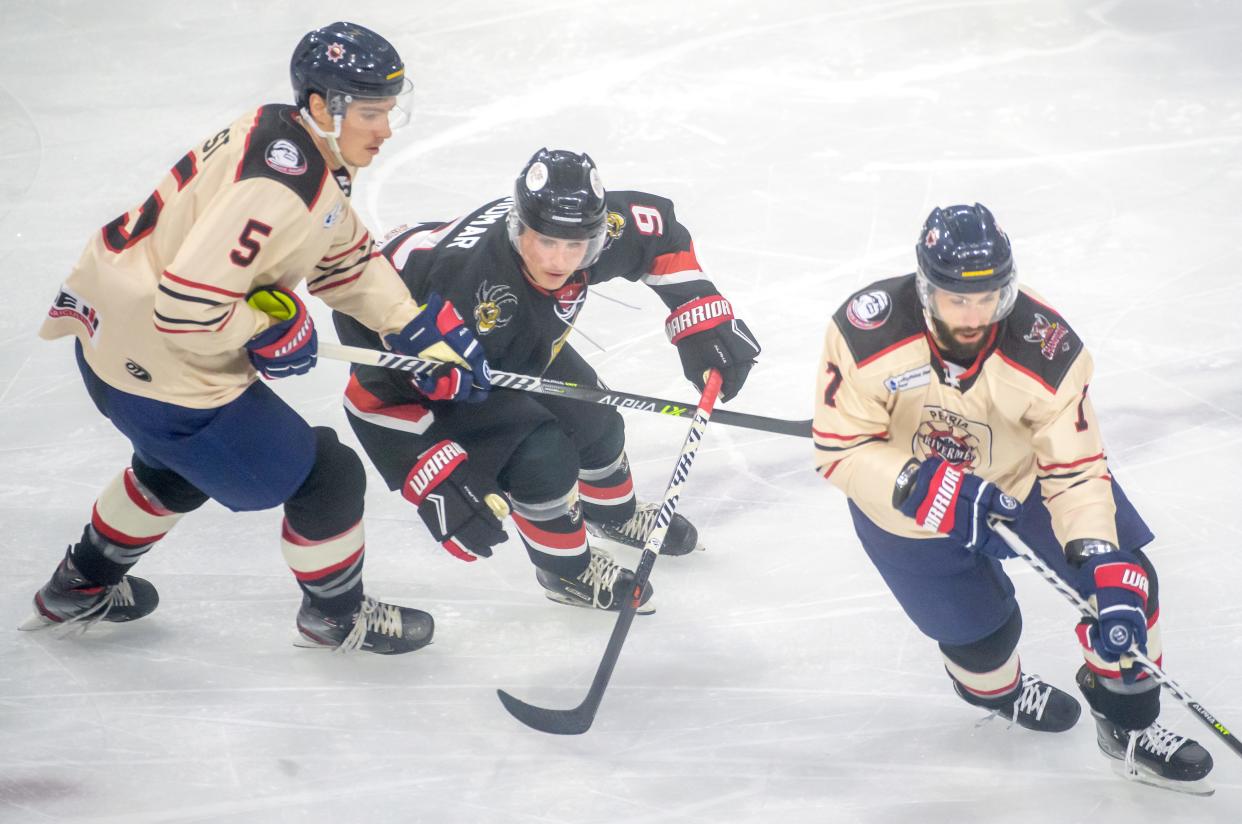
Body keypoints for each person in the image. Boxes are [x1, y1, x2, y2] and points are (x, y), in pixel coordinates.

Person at [22, 22, 490, 655]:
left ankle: (77, 586)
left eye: (389, 110)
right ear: (323, 105)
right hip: (164, 370)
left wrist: (409, 326)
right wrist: (267, 328)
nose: (385, 128)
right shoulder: (280, 188)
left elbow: (341, 256)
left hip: (109, 340)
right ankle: (335, 616)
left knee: (178, 471)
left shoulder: (287, 137)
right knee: (328, 475)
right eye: (373, 112)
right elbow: (187, 308)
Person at [812, 203, 1214, 793]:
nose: (974, 314)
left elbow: (1076, 470)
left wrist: (1101, 554)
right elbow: (839, 449)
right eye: (957, 297)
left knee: (1127, 586)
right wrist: (914, 484)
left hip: (1023, 485)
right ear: (927, 289)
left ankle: (1128, 726)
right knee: (982, 643)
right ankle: (999, 692)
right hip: (909, 515)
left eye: (989, 295)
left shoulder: (1046, 348)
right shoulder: (865, 333)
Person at [332, 148, 761, 612]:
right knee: (542, 457)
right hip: (441, 359)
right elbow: (371, 393)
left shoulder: (592, 229)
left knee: (596, 419)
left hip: (513, 342)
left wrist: (698, 314)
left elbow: (658, 230)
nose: (560, 260)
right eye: (546, 243)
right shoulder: (459, 289)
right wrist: (429, 474)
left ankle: (611, 514)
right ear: (518, 229)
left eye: (577, 246)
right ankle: (566, 572)